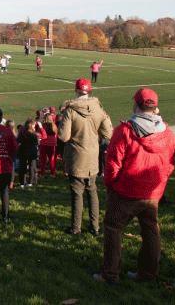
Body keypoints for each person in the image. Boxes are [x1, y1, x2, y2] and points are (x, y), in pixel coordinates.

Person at [94, 88, 175, 284]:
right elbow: (170, 163)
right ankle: (148, 272)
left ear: (136, 105)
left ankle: (110, 273)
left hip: (127, 190)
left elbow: (113, 162)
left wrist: (111, 184)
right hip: (152, 191)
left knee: (113, 228)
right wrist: (160, 183)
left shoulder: (125, 130)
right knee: (150, 230)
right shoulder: (167, 132)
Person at [58, 78, 113, 235]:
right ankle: (95, 227)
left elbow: (63, 137)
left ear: (76, 91)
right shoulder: (98, 108)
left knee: (77, 194)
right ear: (89, 91)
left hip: (76, 157)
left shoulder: (70, 110)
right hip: (92, 156)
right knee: (92, 191)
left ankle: (76, 227)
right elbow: (108, 133)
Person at [16, 119, 39, 187]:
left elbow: (18, 140)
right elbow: (36, 142)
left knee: (22, 166)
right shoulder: (33, 134)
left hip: (23, 150)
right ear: (31, 125)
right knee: (32, 167)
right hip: (32, 151)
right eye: (34, 125)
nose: (34, 126)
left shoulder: (22, 132)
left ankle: (22, 183)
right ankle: (30, 182)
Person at [37, 111, 57, 177]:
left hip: (44, 143)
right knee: (52, 159)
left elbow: (39, 133)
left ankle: (42, 173)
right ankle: (53, 173)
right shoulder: (54, 125)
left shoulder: (43, 125)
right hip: (52, 144)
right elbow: (56, 134)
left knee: (43, 159)